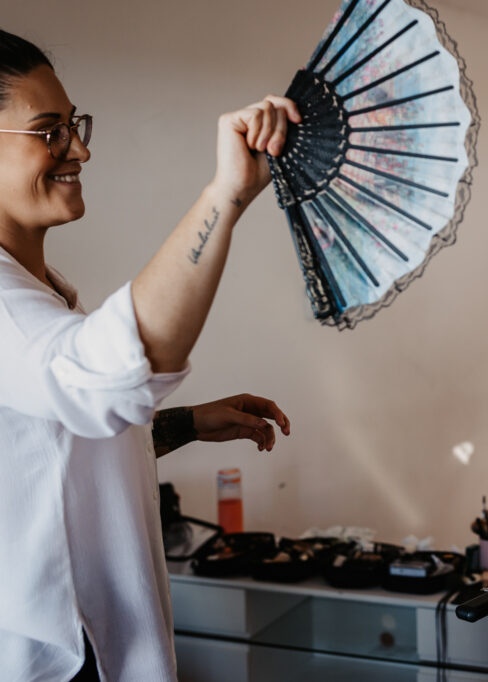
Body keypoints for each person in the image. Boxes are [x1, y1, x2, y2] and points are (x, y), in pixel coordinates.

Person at [0, 29, 296, 681]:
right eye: (49, 130)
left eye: (75, 124)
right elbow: (97, 381)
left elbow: (49, 450)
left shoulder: (35, 296)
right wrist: (225, 194)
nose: (79, 147)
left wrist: (181, 424)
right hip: (62, 661)